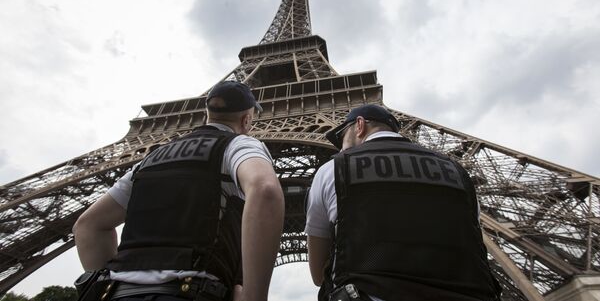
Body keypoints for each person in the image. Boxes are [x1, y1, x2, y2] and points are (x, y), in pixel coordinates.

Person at [73, 81, 285, 301]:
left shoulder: (151, 158)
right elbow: (265, 190)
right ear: (246, 120)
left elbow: (88, 225)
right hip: (191, 291)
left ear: (207, 114)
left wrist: (109, 286)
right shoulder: (238, 144)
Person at [305, 104, 501, 301]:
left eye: (342, 136)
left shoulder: (333, 170)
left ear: (359, 125)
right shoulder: (458, 173)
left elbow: (318, 273)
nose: (341, 146)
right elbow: (472, 243)